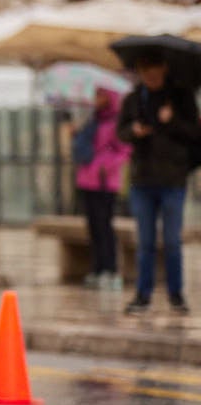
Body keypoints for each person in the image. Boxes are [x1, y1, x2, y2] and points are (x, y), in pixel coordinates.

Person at [117, 49, 201, 314]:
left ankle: (176, 294)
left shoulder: (182, 96)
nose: (151, 76)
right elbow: (121, 131)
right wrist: (134, 131)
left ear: (164, 68)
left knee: (172, 240)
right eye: (145, 71)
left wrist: (172, 120)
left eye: (155, 70)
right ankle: (143, 295)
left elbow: (195, 134)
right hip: (142, 179)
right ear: (140, 71)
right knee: (145, 241)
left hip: (173, 179)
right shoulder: (133, 99)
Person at [74, 86, 131, 291]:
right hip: (87, 179)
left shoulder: (115, 122)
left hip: (105, 181)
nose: (96, 99)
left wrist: (104, 165)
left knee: (104, 225)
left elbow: (124, 151)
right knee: (93, 227)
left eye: (100, 95)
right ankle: (97, 268)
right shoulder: (92, 120)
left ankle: (111, 269)